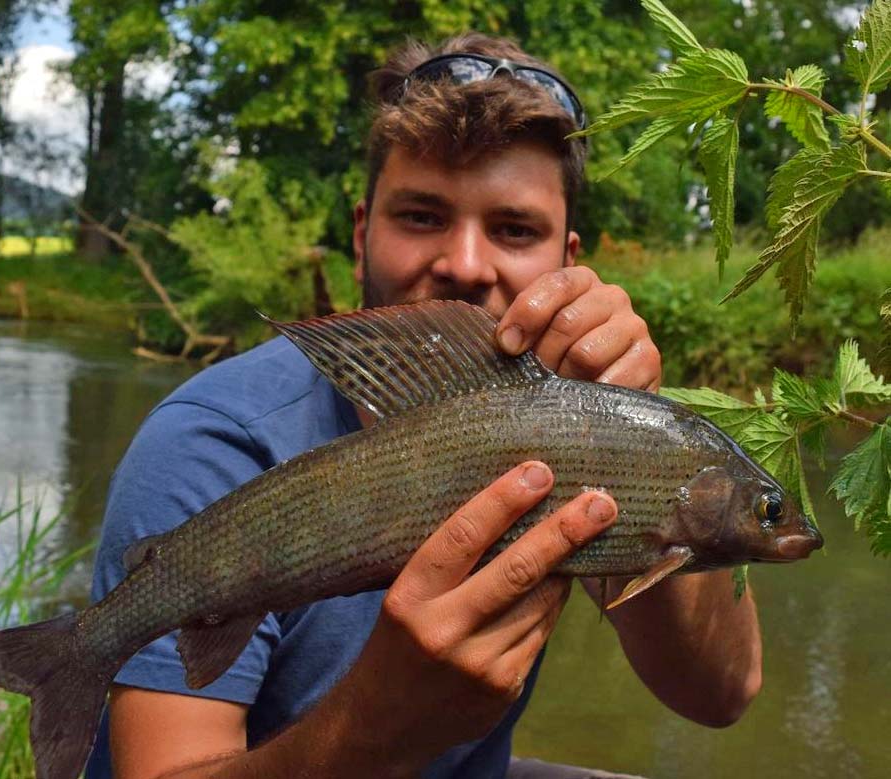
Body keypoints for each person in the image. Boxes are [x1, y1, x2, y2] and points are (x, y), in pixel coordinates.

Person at [85, 32, 762, 779]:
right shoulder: (209, 443)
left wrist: (645, 432)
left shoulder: (586, 428)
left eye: (513, 229)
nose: (465, 266)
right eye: (420, 216)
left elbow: (722, 693)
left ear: (569, 260)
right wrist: (375, 726)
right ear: (359, 234)